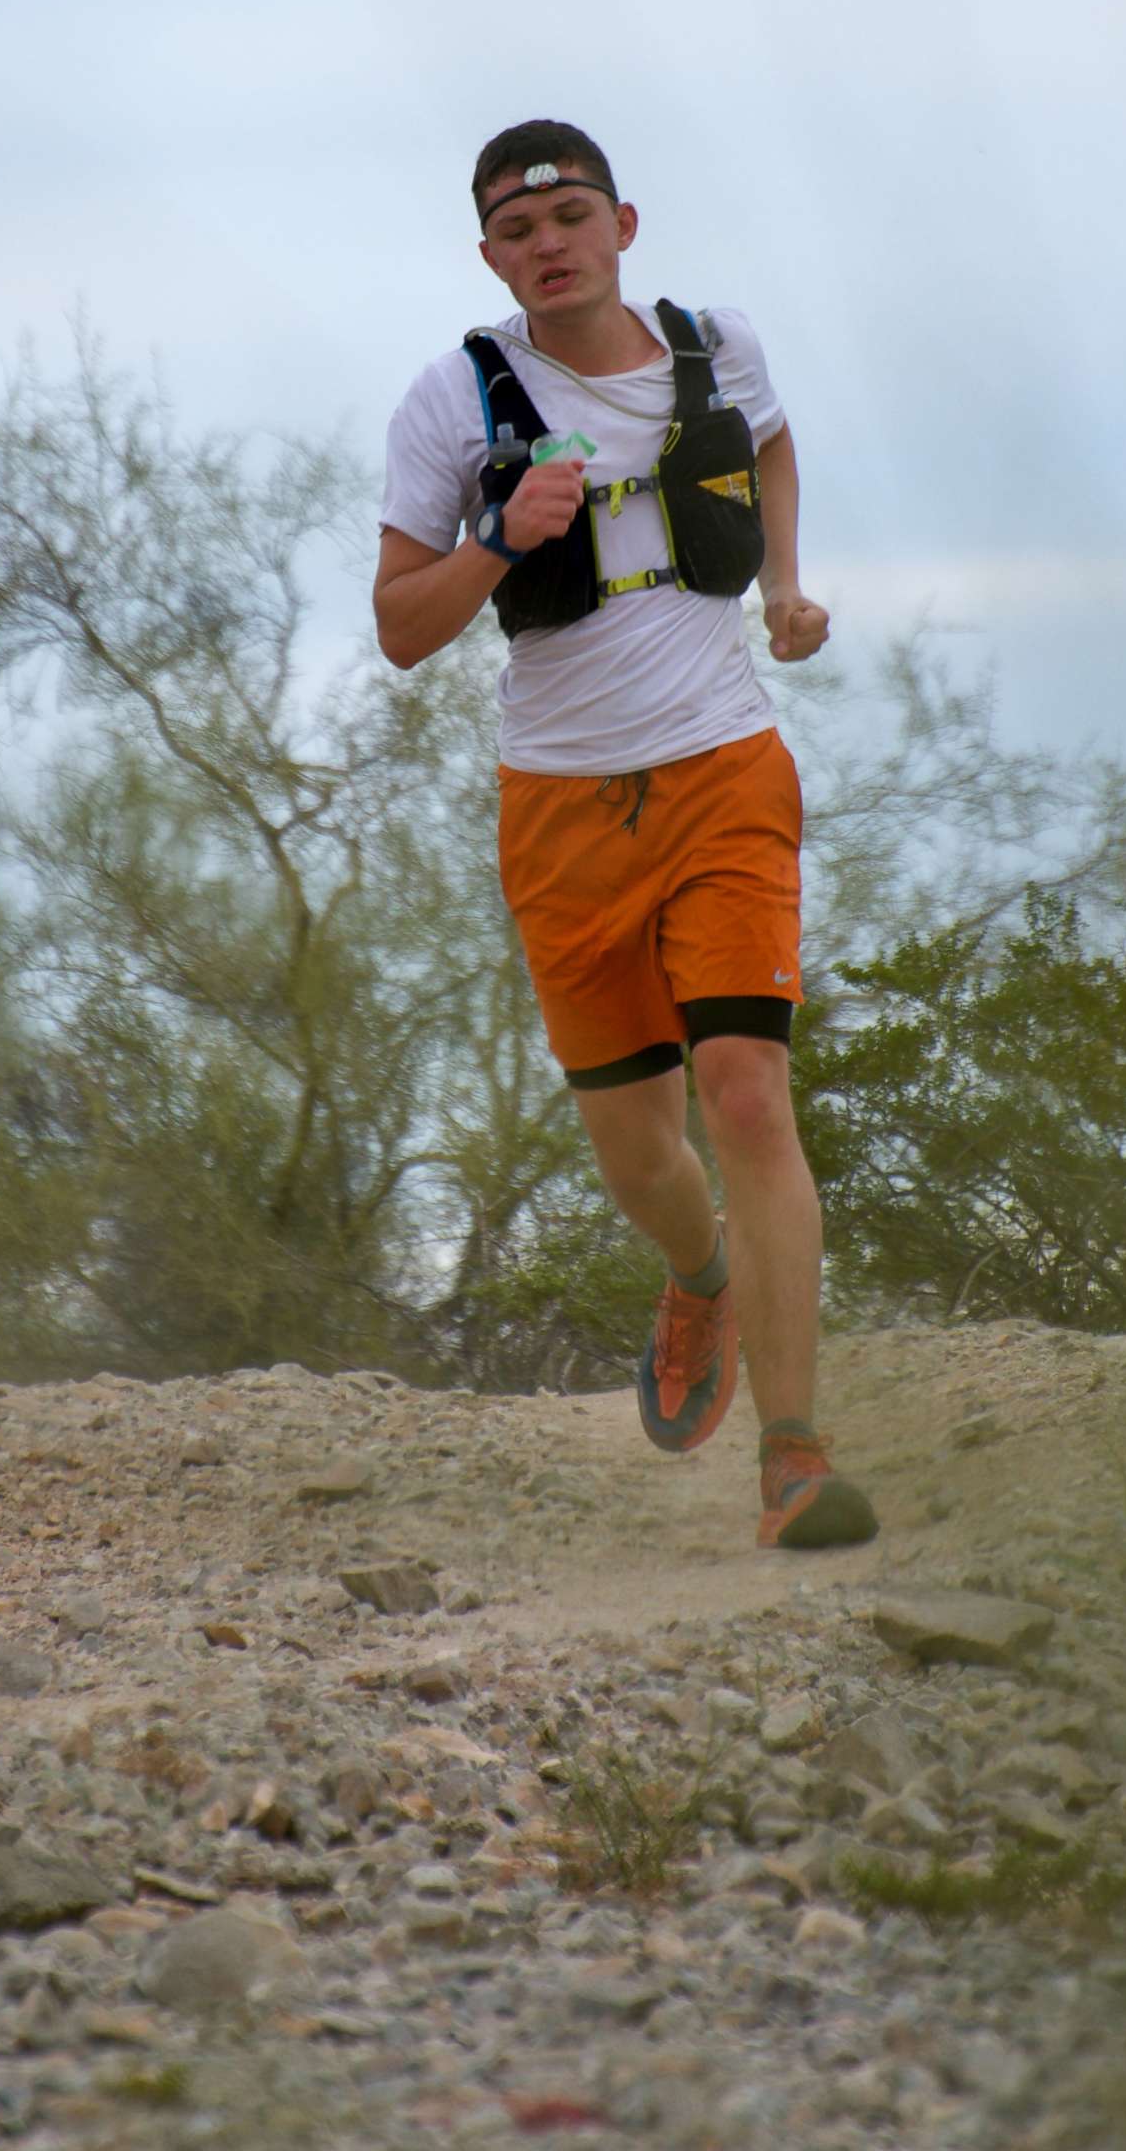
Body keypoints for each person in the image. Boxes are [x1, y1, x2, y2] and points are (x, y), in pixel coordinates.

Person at [373, 119, 876, 1549]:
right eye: (520, 231)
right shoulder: (453, 402)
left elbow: (769, 443)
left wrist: (786, 586)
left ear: (624, 224)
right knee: (640, 1153)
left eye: (572, 215)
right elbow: (402, 631)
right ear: (491, 257)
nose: (551, 244)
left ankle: (793, 1460)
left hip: (724, 764)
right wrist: (499, 539)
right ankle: (699, 1274)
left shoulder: (715, 346)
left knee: (747, 1093)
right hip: (562, 804)